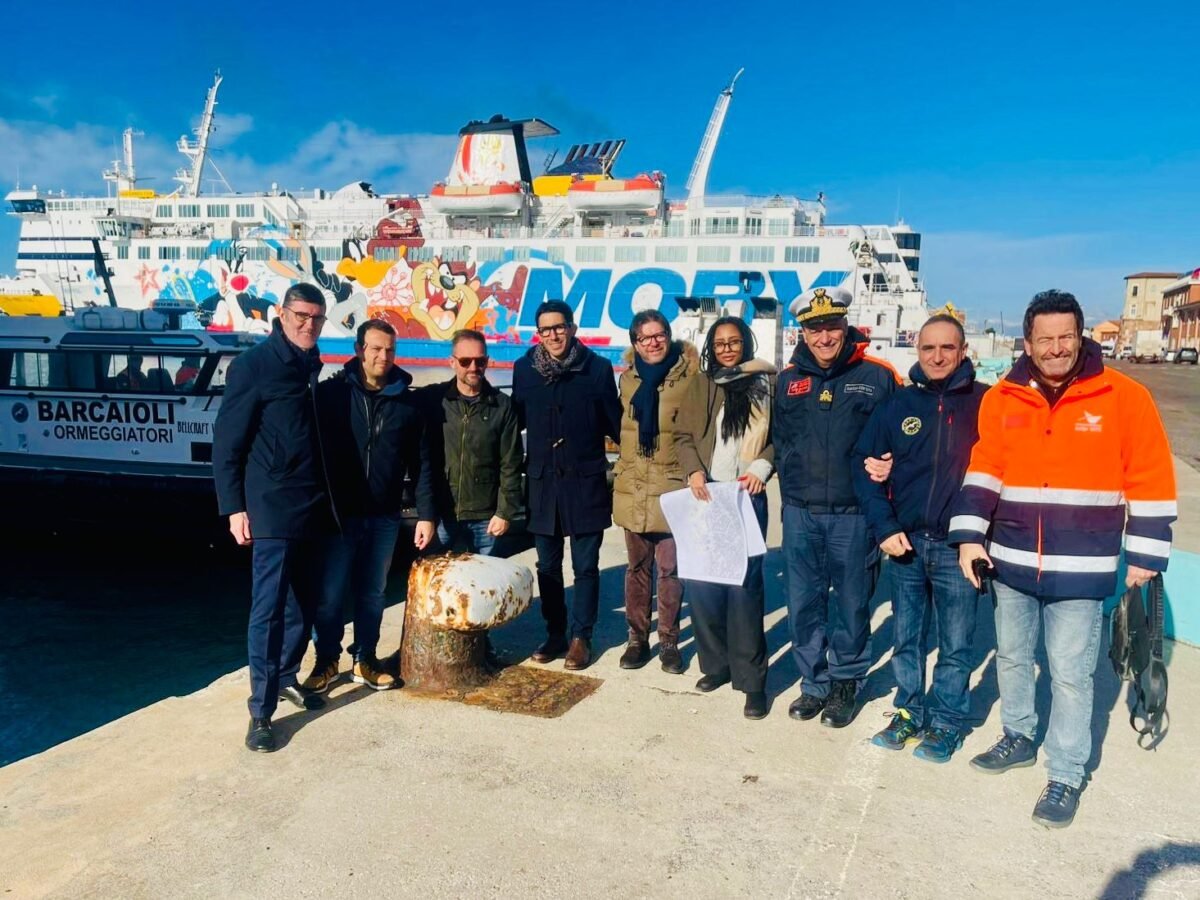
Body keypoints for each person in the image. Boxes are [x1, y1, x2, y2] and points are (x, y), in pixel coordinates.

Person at [950, 290, 1176, 828]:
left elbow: (1148, 474)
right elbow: (985, 468)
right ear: (1027, 343)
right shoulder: (1003, 397)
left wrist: (1145, 554)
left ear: (1081, 337)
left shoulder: (1124, 397)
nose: (1056, 348)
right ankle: (1019, 735)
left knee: (1072, 675)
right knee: (1011, 657)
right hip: (1010, 559)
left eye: (1066, 337)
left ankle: (1067, 773)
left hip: (1082, 566)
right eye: (1045, 339)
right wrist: (969, 536)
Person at [852, 313, 987, 762]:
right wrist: (885, 527)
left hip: (958, 547)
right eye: (929, 348)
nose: (937, 356)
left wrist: (981, 534)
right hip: (906, 543)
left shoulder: (986, 403)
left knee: (956, 643)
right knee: (906, 638)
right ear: (918, 350)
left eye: (948, 347)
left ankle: (947, 721)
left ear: (963, 351)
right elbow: (864, 465)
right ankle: (909, 711)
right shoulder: (898, 405)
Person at [212, 283, 333, 753]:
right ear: (281, 315)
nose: (308, 324)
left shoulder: (310, 364)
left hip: (311, 504)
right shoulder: (254, 366)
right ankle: (260, 711)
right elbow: (228, 442)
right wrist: (233, 507)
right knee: (268, 609)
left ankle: (285, 676)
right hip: (271, 505)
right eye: (300, 315)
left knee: (306, 604)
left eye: (316, 318)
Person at [775, 287, 900, 728]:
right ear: (803, 333)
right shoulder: (787, 381)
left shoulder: (879, 376)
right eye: (815, 329)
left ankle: (846, 680)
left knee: (852, 602)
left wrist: (892, 471)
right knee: (803, 603)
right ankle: (814, 682)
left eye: (831, 326)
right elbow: (780, 441)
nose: (824, 337)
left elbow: (901, 439)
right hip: (801, 511)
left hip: (854, 513)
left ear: (845, 326)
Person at [304, 319, 436, 695]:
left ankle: (365, 659)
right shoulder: (331, 395)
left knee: (373, 593)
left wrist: (426, 514)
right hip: (339, 515)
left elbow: (422, 463)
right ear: (359, 350)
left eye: (390, 350)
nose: (383, 356)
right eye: (376, 348)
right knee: (330, 594)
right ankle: (326, 660)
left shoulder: (408, 405)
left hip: (384, 515)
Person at [511, 300, 622, 671]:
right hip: (543, 485)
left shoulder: (597, 369)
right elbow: (514, 422)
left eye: (560, 327)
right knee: (547, 566)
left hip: (585, 483)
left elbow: (616, 425)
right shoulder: (524, 369)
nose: (554, 335)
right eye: (546, 329)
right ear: (538, 334)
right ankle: (555, 633)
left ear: (572, 328)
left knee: (586, 566)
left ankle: (581, 637)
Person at [675, 316, 775, 719]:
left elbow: (780, 437)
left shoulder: (766, 386)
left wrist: (762, 468)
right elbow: (683, 436)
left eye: (734, 342)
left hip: (746, 496)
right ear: (711, 348)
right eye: (720, 344)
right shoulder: (702, 384)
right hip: (707, 495)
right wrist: (693, 471)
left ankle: (752, 682)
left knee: (744, 590)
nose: (727, 349)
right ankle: (715, 665)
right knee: (703, 586)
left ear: (745, 344)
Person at [612, 310, 699, 675]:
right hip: (634, 486)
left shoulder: (690, 377)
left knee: (669, 570)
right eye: (644, 337)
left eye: (659, 334)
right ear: (635, 343)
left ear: (669, 335)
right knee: (636, 568)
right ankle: (636, 639)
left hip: (672, 487)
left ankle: (668, 641)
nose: (653, 342)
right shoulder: (627, 379)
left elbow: (698, 432)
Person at [418, 329, 523, 557]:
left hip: (486, 516)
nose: (473, 367)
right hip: (442, 512)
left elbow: (511, 463)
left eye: (480, 361)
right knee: (434, 574)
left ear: (487, 361)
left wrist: (505, 512)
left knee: (486, 577)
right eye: (465, 361)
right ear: (452, 362)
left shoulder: (502, 406)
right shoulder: (433, 399)